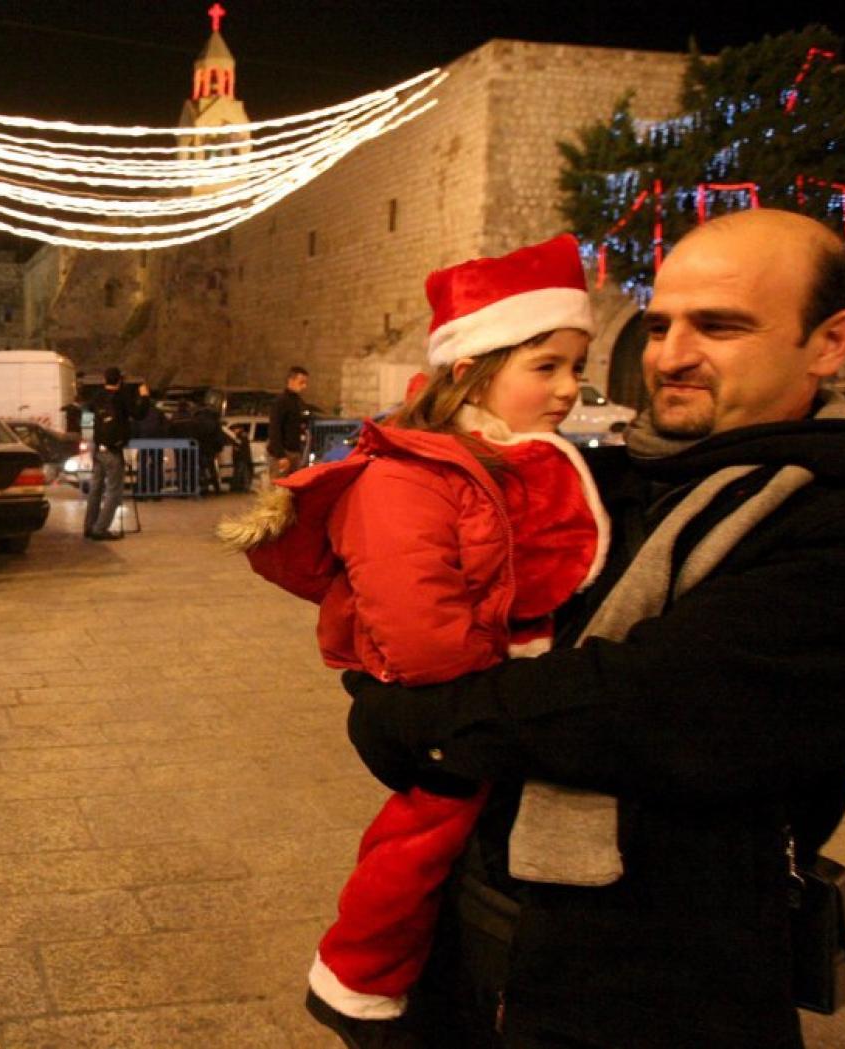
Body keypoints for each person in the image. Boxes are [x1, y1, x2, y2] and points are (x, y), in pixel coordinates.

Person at [342, 209, 845, 1049]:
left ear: (829, 342)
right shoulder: (603, 481)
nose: (670, 355)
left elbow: (648, 709)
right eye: (658, 325)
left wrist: (414, 718)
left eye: (719, 326)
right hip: (472, 941)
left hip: (653, 987)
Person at [223, 234, 607, 1043]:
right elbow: (422, 629)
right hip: (459, 701)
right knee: (415, 847)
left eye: (579, 365)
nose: (572, 389)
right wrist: (506, 693)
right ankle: (359, 981)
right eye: (547, 367)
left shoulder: (518, 458)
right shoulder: (407, 475)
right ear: (471, 370)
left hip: (502, 698)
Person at [84, 366, 152, 540]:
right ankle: (100, 529)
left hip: (98, 449)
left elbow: (87, 409)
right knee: (114, 491)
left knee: (95, 490)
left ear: (105, 379)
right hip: (113, 450)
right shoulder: (122, 398)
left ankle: (89, 526)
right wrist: (144, 396)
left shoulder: (98, 396)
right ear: (120, 380)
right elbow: (139, 414)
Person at [267, 365, 313, 478]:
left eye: (305, 383)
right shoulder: (281, 402)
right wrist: (280, 455)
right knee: (279, 491)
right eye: (301, 382)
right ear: (291, 380)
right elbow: (275, 429)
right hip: (283, 453)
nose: (304, 386)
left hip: (294, 453)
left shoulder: (298, 402)